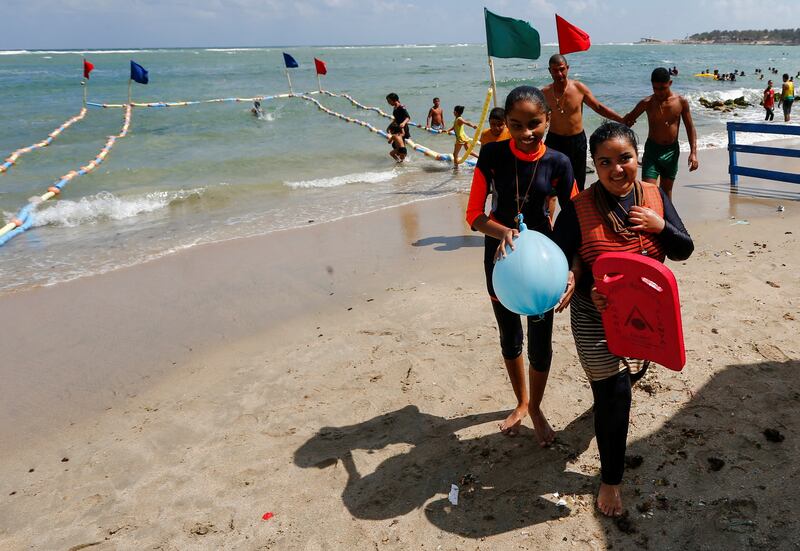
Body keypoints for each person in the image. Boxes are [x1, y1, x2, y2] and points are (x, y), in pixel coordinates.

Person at [553, 121, 694, 517]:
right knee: (614, 394)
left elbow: (684, 249)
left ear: (637, 157)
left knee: (630, 377)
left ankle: (617, 386)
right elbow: (564, 263)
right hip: (594, 315)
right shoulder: (578, 209)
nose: (617, 169)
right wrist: (582, 286)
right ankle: (610, 481)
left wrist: (659, 225)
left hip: (645, 315)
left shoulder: (654, 196)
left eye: (625, 158)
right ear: (594, 166)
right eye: (605, 162)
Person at [465, 86, 578, 445]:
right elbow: (474, 216)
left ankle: (538, 407)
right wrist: (505, 233)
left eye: (534, 124)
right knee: (509, 334)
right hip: (499, 258)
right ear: (507, 124)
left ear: (548, 119)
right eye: (516, 125)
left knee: (541, 340)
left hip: (544, 262)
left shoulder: (559, 162)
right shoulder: (491, 154)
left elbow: (575, 218)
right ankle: (522, 401)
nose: (526, 133)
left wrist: (573, 269)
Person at [542, 54, 625, 194]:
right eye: (555, 70)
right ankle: (550, 215)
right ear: (549, 71)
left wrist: (622, 120)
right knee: (551, 186)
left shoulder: (578, 88)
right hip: (554, 141)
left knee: (578, 183)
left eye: (562, 69)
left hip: (576, 141)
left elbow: (598, 107)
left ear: (567, 68)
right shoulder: (544, 93)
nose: (559, 74)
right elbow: (535, 116)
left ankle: (577, 212)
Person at [623, 67, 698, 199]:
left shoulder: (681, 102)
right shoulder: (647, 103)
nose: (659, 92)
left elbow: (690, 128)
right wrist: (630, 152)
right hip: (652, 150)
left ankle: (666, 220)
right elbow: (626, 122)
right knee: (648, 191)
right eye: (655, 88)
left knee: (666, 193)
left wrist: (693, 153)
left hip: (672, 151)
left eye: (662, 88)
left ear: (670, 83)